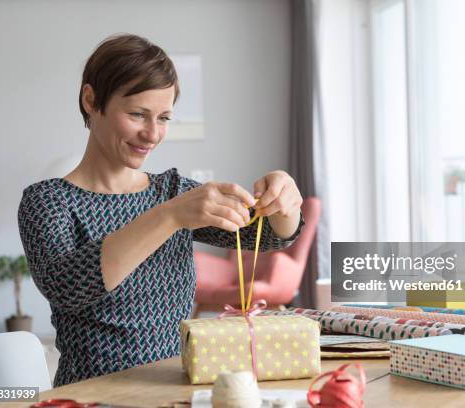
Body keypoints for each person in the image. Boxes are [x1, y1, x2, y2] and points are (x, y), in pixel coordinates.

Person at [17, 34, 304, 387]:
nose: (152, 134)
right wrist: (169, 216)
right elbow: (69, 287)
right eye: (138, 114)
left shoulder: (172, 192)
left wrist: (283, 198)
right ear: (91, 100)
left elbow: (271, 236)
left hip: (177, 387)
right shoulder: (48, 201)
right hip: (91, 392)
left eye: (164, 118)